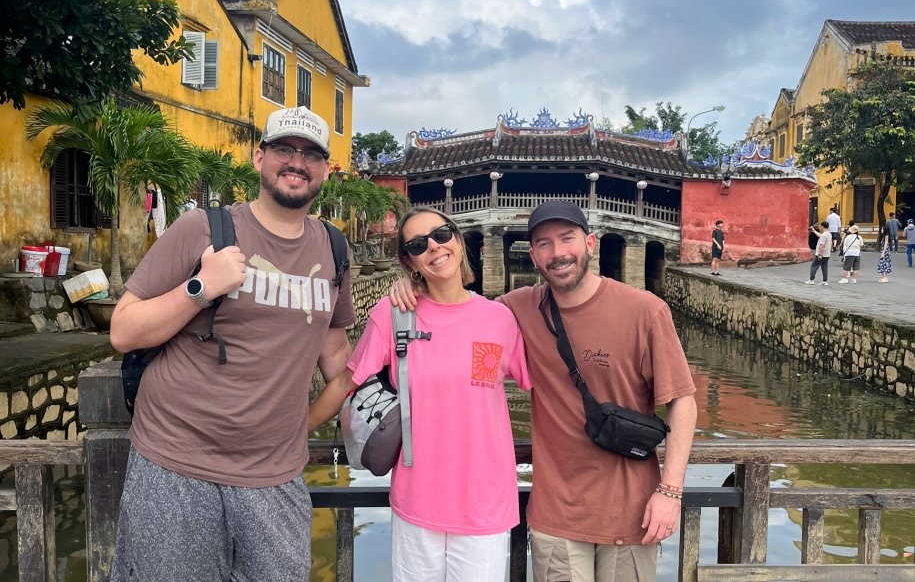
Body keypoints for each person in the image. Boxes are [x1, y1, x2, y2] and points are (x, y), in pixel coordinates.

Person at [108, 107, 356, 582]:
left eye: (311, 154)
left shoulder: (333, 249)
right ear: (259, 157)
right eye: (284, 149)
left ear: (326, 170)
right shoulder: (204, 228)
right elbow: (123, 330)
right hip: (175, 460)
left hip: (275, 475)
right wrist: (201, 286)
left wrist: (414, 314)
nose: (296, 162)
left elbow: (338, 363)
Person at [391, 201, 698, 582]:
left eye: (567, 239)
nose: (557, 253)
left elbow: (682, 401)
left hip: (633, 512)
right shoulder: (515, 310)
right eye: (544, 244)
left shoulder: (645, 311)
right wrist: (414, 284)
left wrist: (670, 492)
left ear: (590, 243)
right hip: (557, 516)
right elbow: (457, 312)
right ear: (533, 256)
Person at [308, 206, 531, 582]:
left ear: (458, 241)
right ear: (408, 260)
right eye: (417, 243)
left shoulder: (500, 319)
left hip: (486, 502)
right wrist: (296, 434)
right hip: (418, 498)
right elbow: (346, 383)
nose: (433, 247)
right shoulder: (394, 314)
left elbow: (543, 389)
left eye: (441, 235)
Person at [806, 221, 831, 285]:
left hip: (821, 254)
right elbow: (820, 236)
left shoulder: (823, 235)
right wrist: (814, 231)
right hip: (827, 254)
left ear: (822, 226)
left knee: (814, 266)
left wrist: (819, 254)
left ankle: (811, 279)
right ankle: (825, 281)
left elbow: (821, 245)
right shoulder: (828, 234)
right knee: (824, 267)